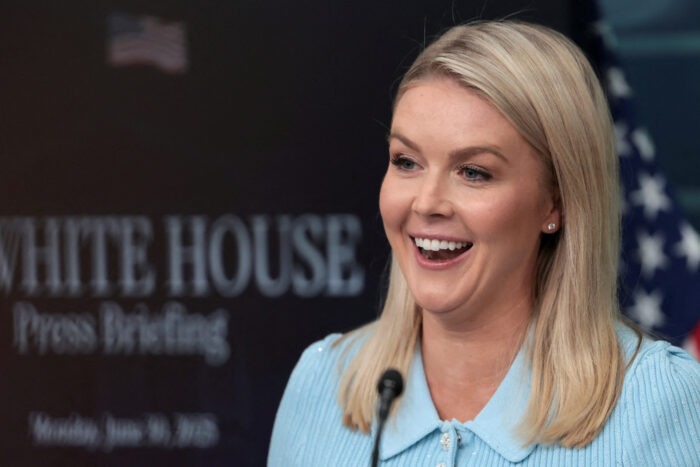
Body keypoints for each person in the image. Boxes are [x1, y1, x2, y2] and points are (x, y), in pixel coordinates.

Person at [268, 20, 700, 466]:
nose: (426, 202)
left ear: (556, 202)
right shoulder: (321, 383)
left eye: (473, 172)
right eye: (407, 162)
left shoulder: (660, 403)